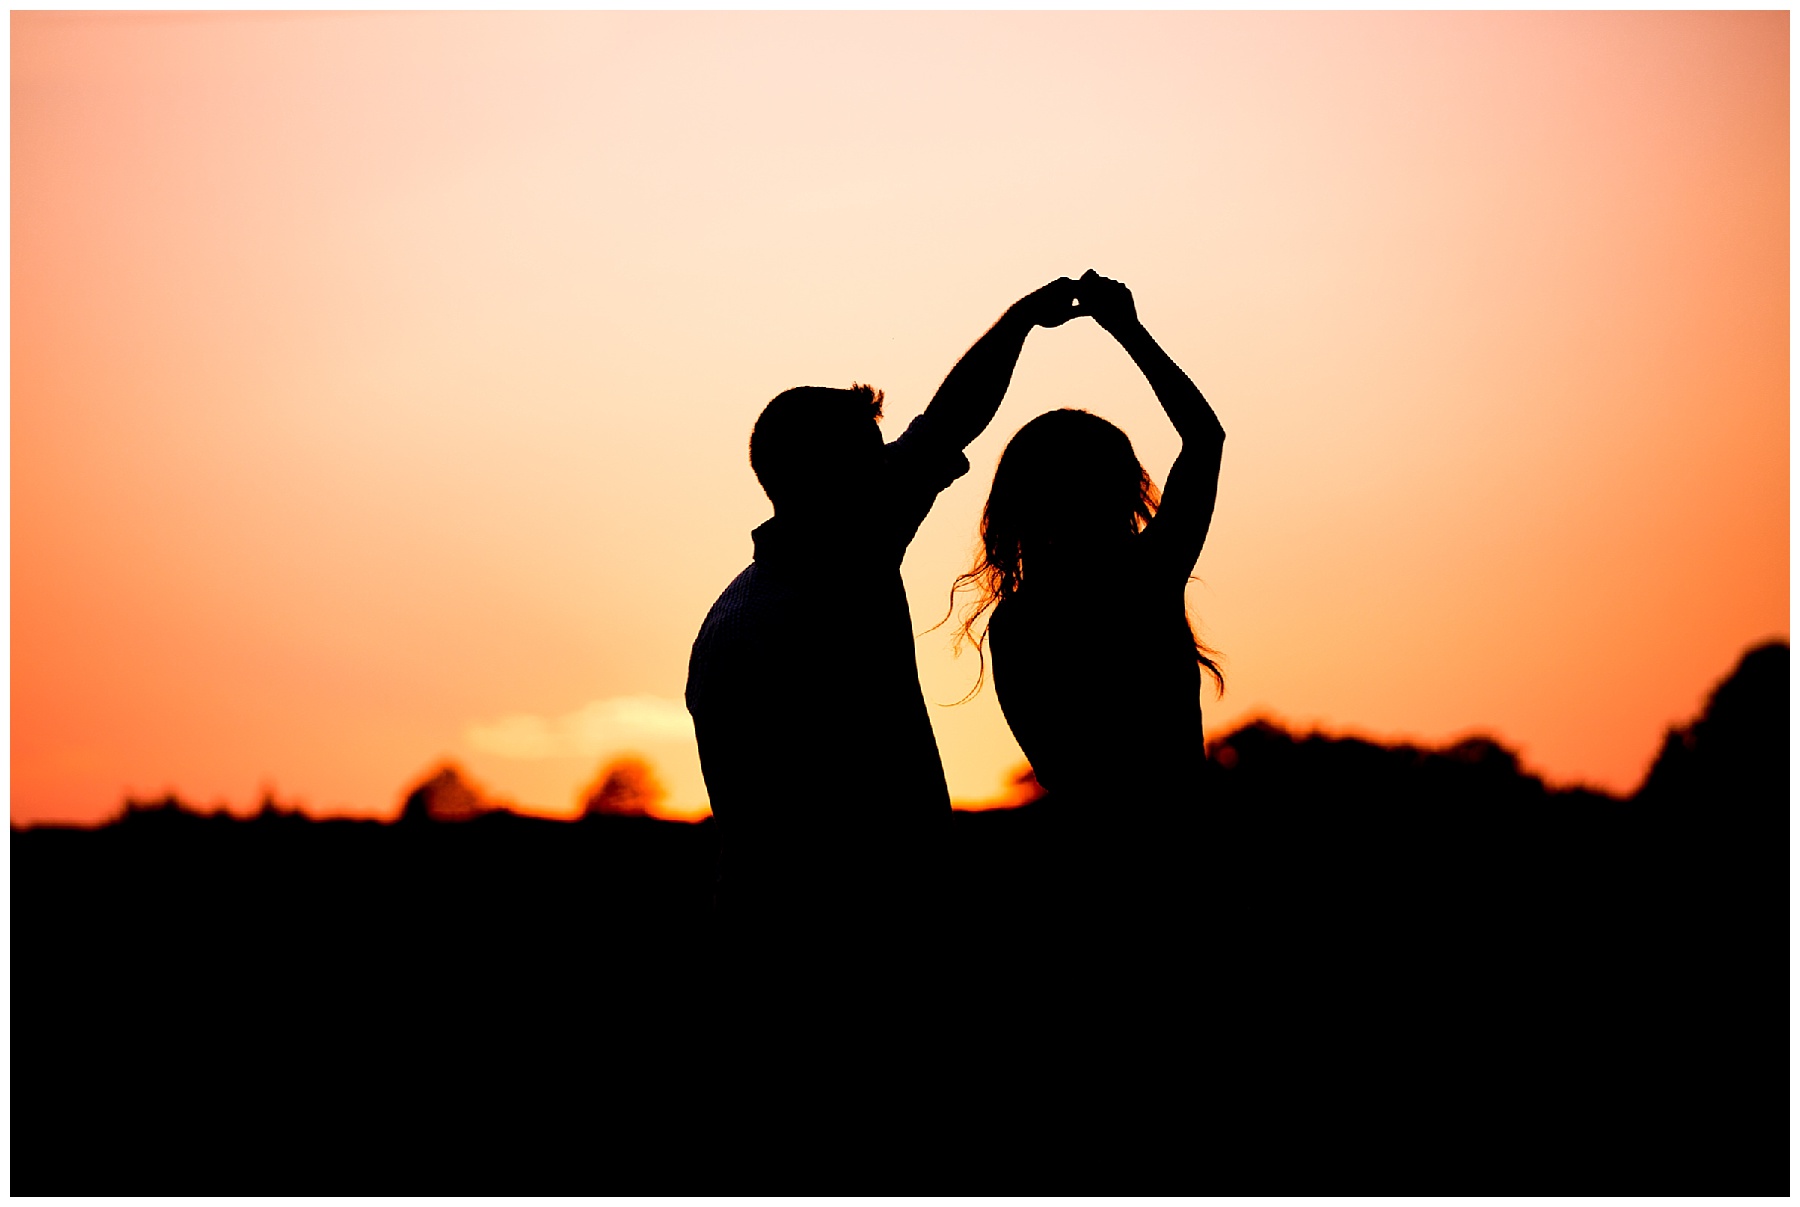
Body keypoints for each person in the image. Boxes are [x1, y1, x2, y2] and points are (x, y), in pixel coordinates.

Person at [685, 276, 1087, 967]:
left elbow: (948, 421)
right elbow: (788, 829)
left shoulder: (800, 574)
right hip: (827, 940)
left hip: (822, 927)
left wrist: (1021, 319)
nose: (892, 470)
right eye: (872, 461)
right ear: (830, 478)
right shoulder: (802, 594)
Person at [952, 269, 1226, 848]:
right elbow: (1204, 437)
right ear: (1125, 490)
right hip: (1187, 849)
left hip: (1089, 864)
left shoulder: (1019, 623)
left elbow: (1056, 768)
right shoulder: (1148, 575)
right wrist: (1128, 329)